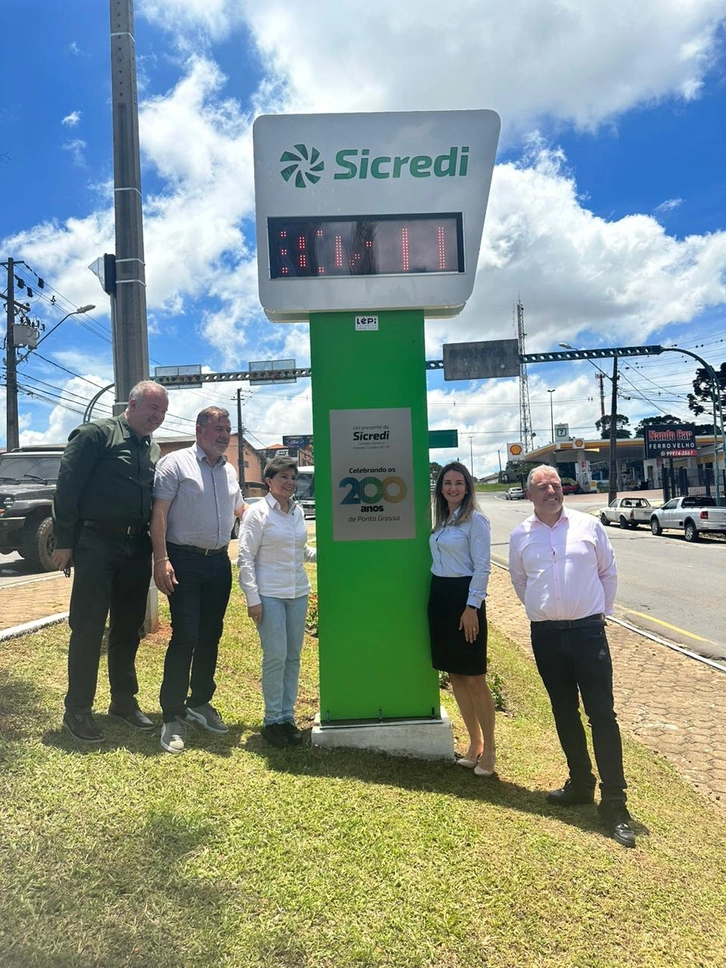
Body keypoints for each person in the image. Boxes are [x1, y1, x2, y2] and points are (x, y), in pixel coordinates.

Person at [508, 465, 635, 848]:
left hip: (587, 632)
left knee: (602, 715)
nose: (551, 491)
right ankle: (580, 783)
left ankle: (615, 802)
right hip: (545, 636)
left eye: (556, 485)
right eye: (542, 487)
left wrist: (595, 615)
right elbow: (520, 581)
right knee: (564, 711)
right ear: (529, 495)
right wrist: (545, 612)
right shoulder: (519, 536)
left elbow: (607, 572)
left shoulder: (587, 526)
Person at [51, 380, 169, 743]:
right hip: (95, 542)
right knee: (88, 627)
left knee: (127, 626)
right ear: (131, 404)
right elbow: (67, 486)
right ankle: (78, 709)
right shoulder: (95, 435)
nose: (158, 417)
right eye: (153, 409)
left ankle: (123, 700)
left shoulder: (153, 448)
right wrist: (65, 541)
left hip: (136, 546)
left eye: (162, 412)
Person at [150, 407, 246, 754]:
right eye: (218, 428)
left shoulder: (229, 469)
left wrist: (278, 509)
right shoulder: (175, 464)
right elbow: (158, 514)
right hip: (183, 561)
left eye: (228, 429)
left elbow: (240, 510)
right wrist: (161, 559)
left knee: (211, 634)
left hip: (219, 562)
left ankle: (199, 701)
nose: (224, 435)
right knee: (186, 634)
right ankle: (172, 714)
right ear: (199, 429)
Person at [237, 456, 316, 748]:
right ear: (269, 481)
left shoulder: (295, 512)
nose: (290, 483)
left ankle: (287, 717)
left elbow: (301, 551)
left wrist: (330, 553)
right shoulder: (257, 514)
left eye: (293, 478)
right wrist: (252, 599)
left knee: (293, 658)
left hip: (298, 593)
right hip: (269, 596)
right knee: (275, 657)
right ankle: (272, 720)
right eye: (283, 477)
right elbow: (245, 558)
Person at [428, 462, 496, 777]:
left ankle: (491, 750)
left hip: (464, 599)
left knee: (474, 677)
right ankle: (474, 744)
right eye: (447, 483)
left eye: (459, 483)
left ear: (467, 487)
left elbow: (482, 567)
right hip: (440, 596)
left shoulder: (476, 521)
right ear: (440, 489)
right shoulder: (442, 522)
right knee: (455, 675)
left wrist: (471, 607)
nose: (453, 488)